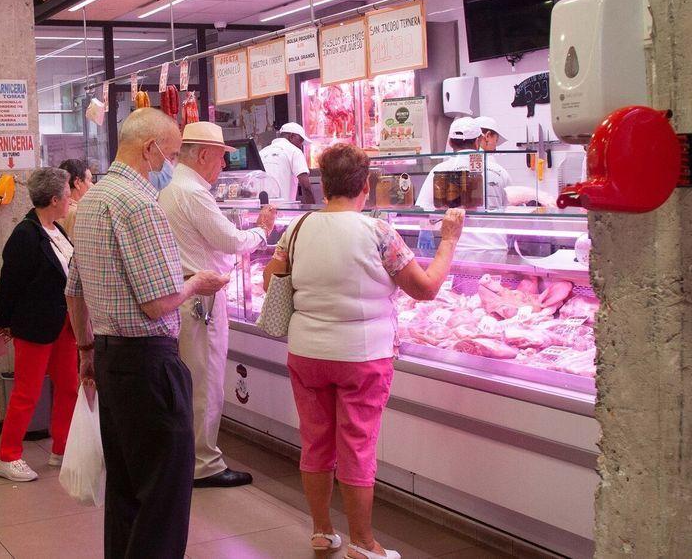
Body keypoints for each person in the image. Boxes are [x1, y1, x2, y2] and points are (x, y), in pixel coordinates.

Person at [262, 143, 464, 557]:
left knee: (316, 442)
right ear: (365, 186)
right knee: (357, 445)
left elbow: (271, 281)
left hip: (307, 354)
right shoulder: (378, 231)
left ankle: (322, 532)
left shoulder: (298, 228)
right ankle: (364, 543)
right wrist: (449, 242)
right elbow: (424, 288)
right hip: (362, 356)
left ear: (323, 184)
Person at [65, 107, 228, 558]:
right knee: (163, 495)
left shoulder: (91, 201)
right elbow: (157, 302)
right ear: (150, 149)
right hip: (149, 363)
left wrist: (84, 350)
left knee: (126, 488)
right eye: (172, 154)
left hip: (110, 357)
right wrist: (197, 283)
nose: (171, 165)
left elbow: (74, 289)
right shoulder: (140, 206)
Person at [159, 122, 277, 488]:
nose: (224, 166)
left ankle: (189, 456)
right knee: (205, 380)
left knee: (192, 379)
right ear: (205, 155)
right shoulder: (192, 192)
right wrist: (262, 230)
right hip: (201, 301)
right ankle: (204, 464)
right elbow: (231, 242)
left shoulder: (171, 188)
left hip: (185, 295)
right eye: (221, 158)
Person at [0, 167, 79, 483]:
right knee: (27, 392)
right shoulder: (25, 235)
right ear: (54, 199)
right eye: (68, 194)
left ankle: (63, 447)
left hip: (64, 325)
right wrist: (4, 323)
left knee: (69, 387)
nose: (71, 199)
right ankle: (8, 455)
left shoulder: (57, 230)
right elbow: (8, 285)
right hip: (34, 326)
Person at [414, 117, 508, 260]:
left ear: (450, 142)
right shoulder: (499, 171)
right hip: (495, 249)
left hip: (457, 249)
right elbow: (510, 208)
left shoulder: (439, 171)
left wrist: (425, 232)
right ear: (478, 141)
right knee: (491, 283)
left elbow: (422, 211)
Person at [259, 122, 315, 203]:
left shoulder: (262, 152)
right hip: (285, 211)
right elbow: (306, 186)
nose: (300, 146)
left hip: (263, 211)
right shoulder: (295, 151)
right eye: (300, 141)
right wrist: (312, 211)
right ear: (291, 136)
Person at [58, 158, 93, 237]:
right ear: (77, 182)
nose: (92, 185)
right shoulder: (79, 213)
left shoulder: (54, 208)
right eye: (90, 180)